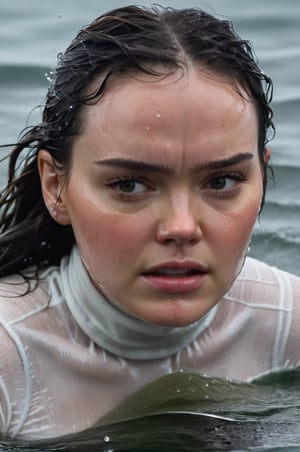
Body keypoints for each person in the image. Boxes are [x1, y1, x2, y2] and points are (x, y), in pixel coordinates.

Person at [0, 4, 299, 441]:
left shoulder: (288, 326)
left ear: (262, 176)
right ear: (55, 186)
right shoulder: (10, 358)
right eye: (129, 185)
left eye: (222, 180)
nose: (181, 227)